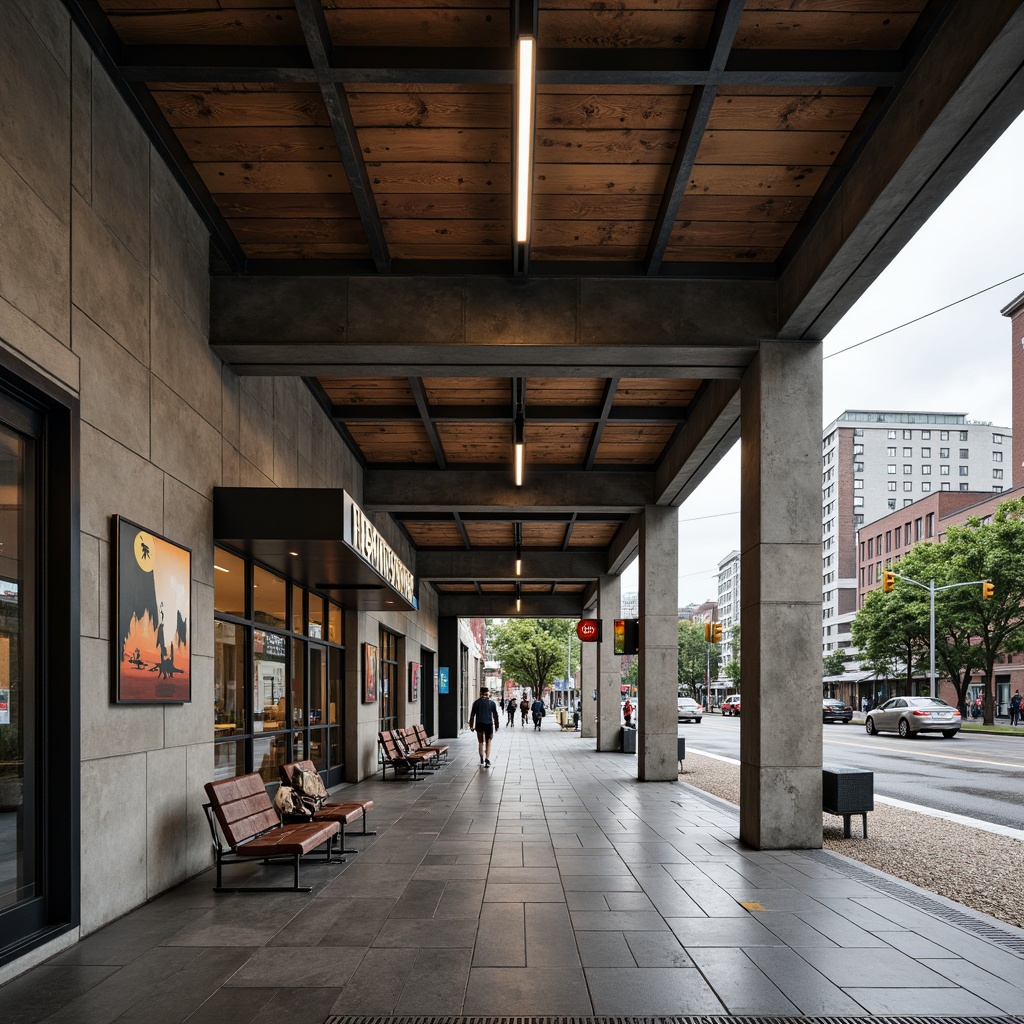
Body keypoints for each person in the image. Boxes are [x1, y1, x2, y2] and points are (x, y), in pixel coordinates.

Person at [468, 686, 500, 767]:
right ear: (487, 693)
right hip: (489, 724)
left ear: (480, 693)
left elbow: (472, 715)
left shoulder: (476, 702)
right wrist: (496, 725)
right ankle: (487, 758)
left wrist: (471, 726)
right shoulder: (492, 703)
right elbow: (495, 715)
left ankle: (481, 758)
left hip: (479, 724)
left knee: (480, 742)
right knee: (488, 741)